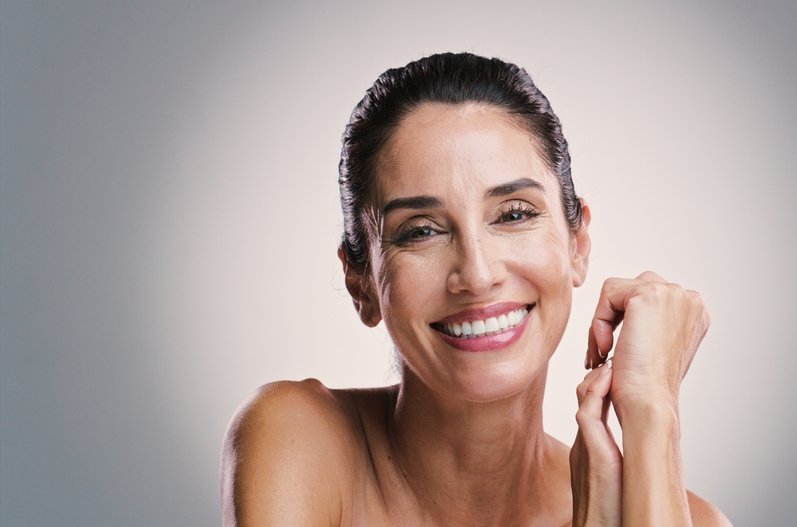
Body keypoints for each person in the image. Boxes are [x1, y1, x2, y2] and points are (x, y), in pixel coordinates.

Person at [221, 52, 731, 526]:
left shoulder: (693, 519)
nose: (478, 274)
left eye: (514, 215)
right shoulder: (297, 439)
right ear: (362, 283)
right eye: (421, 230)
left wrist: (653, 415)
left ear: (577, 245)